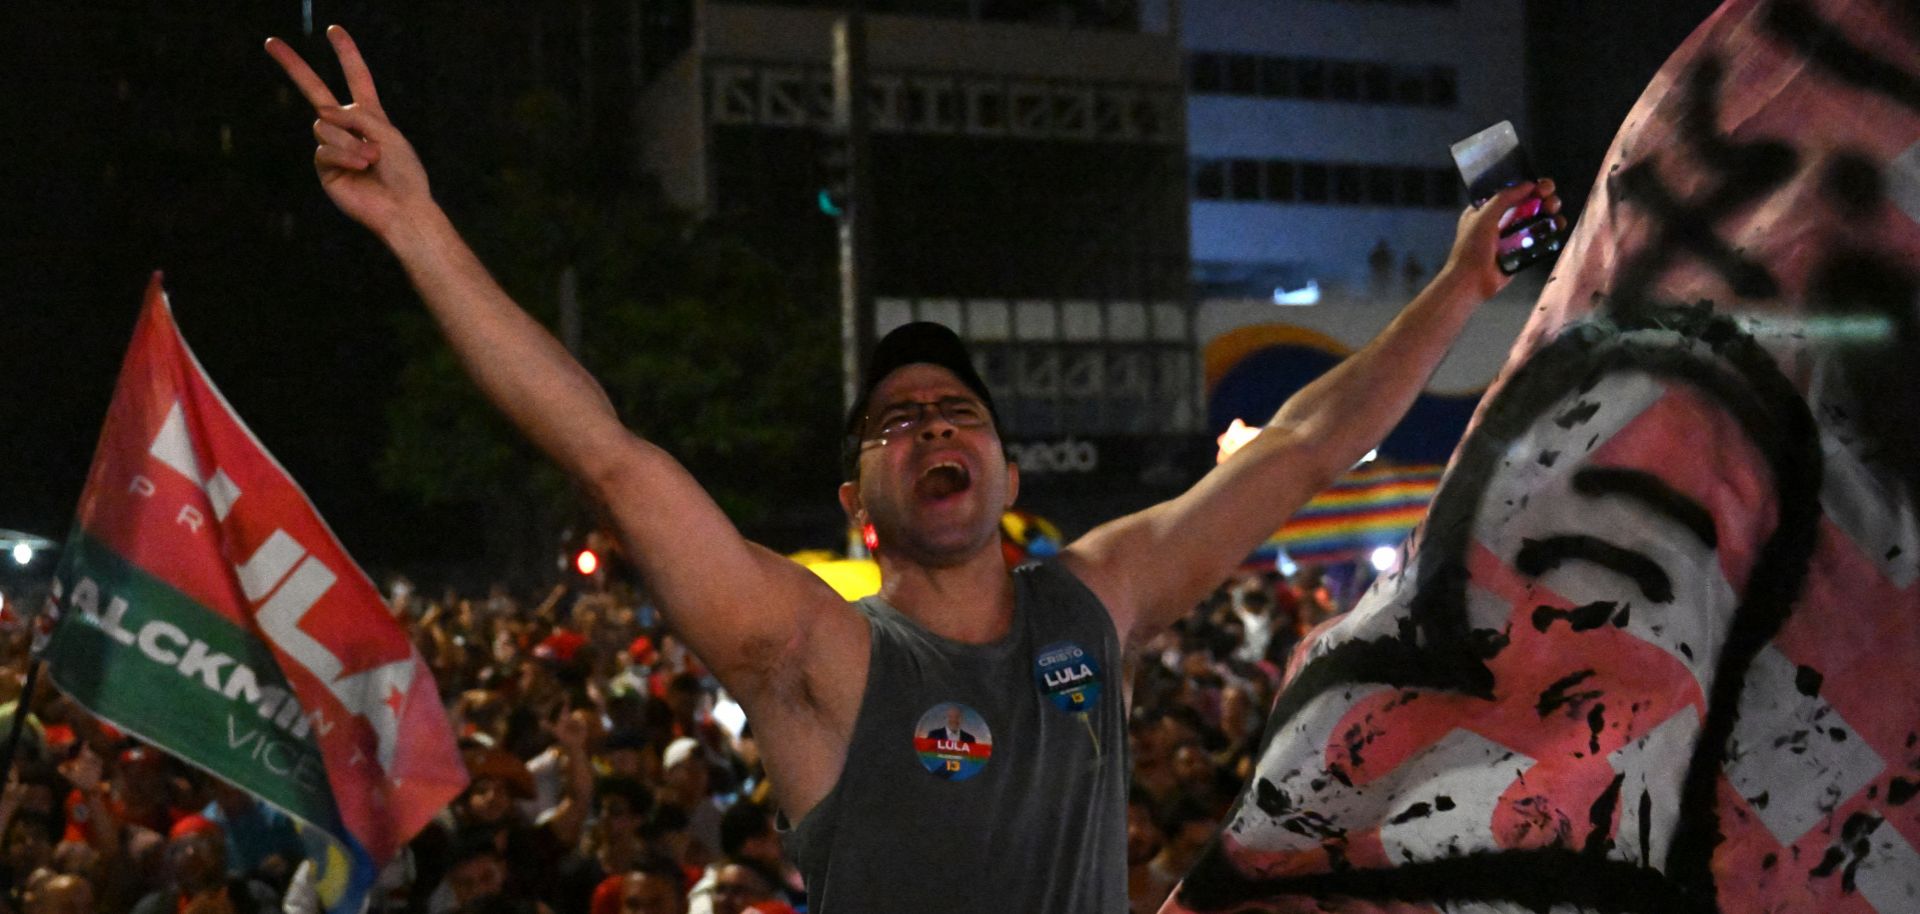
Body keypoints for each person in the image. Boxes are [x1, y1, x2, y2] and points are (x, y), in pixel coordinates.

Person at [265, 25, 1559, 914]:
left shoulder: (1094, 603)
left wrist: (1456, 286)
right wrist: (420, 227)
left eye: (958, 410)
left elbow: (1302, 443)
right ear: (857, 506)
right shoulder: (814, 658)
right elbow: (609, 455)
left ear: (1004, 468)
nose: (934, 426)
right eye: (896, 421)